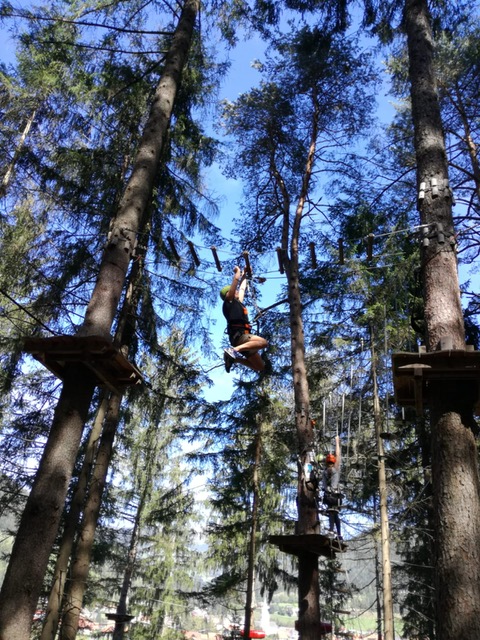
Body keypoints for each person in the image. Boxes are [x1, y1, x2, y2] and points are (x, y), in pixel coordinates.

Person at [220, 266, 268, 373]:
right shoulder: (229, 302)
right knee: (263, 342)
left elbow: (242, 288)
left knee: (259, 366)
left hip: (242, 339)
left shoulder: (238, 302)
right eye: (233, 291)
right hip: (240, 336)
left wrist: (244, 274)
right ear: (228, 294)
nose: (236, 291)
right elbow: (235, 285)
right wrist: (237, 273)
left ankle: (234, 358)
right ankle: (233, 350)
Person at [322, 435, 343, 540]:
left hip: (330, 496)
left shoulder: (326, 471)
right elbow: (338, 455)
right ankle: (338, 534)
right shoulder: (335, 468)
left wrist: (337, 442)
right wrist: (337, 442)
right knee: (335, 514)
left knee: (332, 513)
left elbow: (337, 455)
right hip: (336, 496)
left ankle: (332, 530)